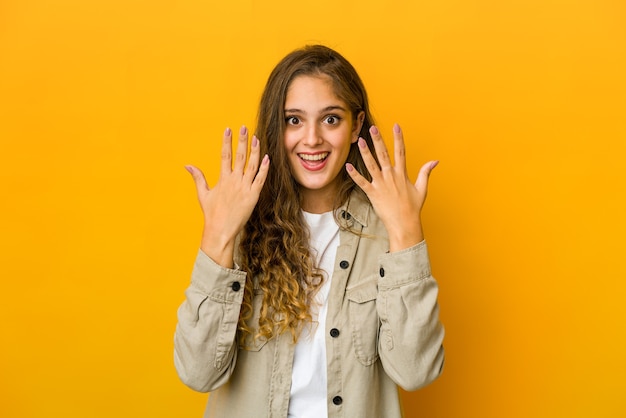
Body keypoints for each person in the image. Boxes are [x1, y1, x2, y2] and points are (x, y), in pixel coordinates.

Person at [174, 44, 445, 418]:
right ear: (275, 127)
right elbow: (197, 372)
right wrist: (218, 236)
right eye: (294, 120)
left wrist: (407, 232)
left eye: (331, 119)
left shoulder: (387, 229)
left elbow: (416, 372)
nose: (313, 139)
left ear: (356, 126)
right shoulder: (240, 222)